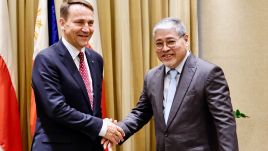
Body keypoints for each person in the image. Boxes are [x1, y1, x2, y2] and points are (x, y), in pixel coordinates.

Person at [103, 17, 239, 151]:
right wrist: (118, 131)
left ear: (186, 40)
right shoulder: (152, 76)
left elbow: (225, 124)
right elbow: (140, 113)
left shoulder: (208, 73)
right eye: (159, 43)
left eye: (171, 42)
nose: (165, 48)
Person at [31, 0, 124, 151]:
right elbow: (57, 109)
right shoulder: (46, 59)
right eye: (80, 22)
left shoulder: (96, 59)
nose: (87, 29)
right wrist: (101, 126)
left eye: (90, 23)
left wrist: (104, 129)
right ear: (62, 23)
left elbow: (95, 108)